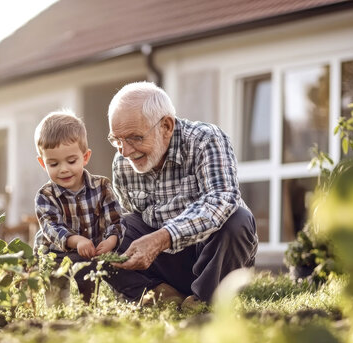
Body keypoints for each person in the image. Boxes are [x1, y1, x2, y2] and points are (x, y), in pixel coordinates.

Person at [106, 81, 258, 309]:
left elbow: (222, 199)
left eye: (135, 138)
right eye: (117, 140)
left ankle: (205, 302)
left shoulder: (206, 140)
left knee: (238, 219)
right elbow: (133, 221)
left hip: (216, 260)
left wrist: (162, 238)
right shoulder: (123, 162)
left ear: (166, 126)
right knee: (111, 231)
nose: (125, 151)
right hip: (168, 264)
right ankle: (163, 295)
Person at [34, 110, 125, 303]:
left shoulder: (102, 187)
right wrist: (76, 241)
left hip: (91, 252)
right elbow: (51, 228)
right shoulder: (46, 195)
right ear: (43, 163)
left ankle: (92, 306)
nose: (64, 169)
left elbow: (115, 219)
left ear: (85, 157)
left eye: (71, 161)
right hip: (55, 254)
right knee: (56, 289)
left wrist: (111, 240)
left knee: (91, 286)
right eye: (54, 163)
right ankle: (57, 309)